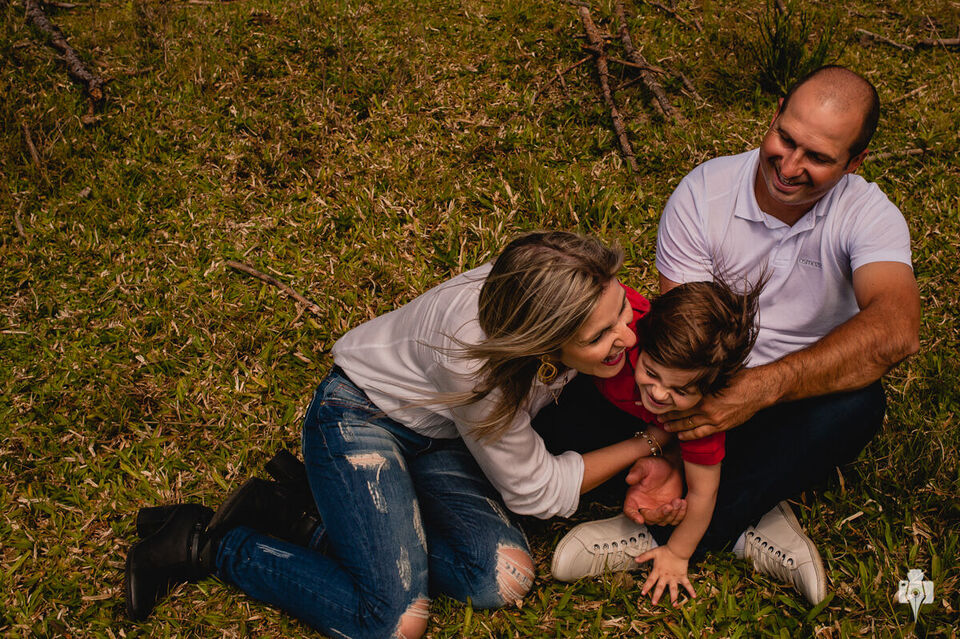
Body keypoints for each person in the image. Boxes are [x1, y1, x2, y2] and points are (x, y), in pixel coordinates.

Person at [125, 231, 672, 639]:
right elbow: (537, 491)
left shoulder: (555, 285)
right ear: (539, 343)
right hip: (360, 418)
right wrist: (651, 441)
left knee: (501, 579)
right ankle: (211, 544)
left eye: (621, 308)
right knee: (392, 623)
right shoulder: (478, 365)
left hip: (443, 436)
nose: (628, 335)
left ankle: (299, 516)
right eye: (600, 336)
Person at [540, 65, 920, 605]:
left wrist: (762, 389)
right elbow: (683, 343)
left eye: (817, 157)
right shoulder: (705, 193)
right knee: (560, 420)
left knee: (858, 406)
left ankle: (657, 536)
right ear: (776, 113)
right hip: (685, 386)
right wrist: (678, 447)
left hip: (789, 398)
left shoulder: (868, 215)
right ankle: (753, 506)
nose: (790, 166)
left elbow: (897, 329)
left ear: (854, 162)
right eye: (785, 139)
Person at [551, 280, 759, 608]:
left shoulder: (699, 421)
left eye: (681, 390)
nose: (659, 394)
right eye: (651, 372)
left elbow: (703, 493)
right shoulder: (622, 330)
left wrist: (677, 553)